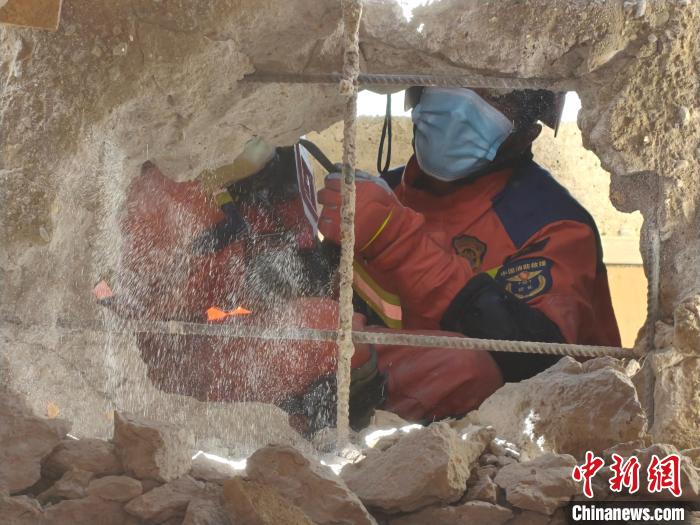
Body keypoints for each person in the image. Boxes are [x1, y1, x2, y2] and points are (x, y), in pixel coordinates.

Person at [318, 86, 621, 424]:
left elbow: (540, 367)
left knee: (464, 367)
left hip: (517, 438)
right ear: (416, 94)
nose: (461, 106)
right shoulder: (379, 196)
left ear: (527, 135)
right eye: (450, 80)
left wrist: (398, 243)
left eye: (497, 97)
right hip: (378, 416)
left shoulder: (553, 225)